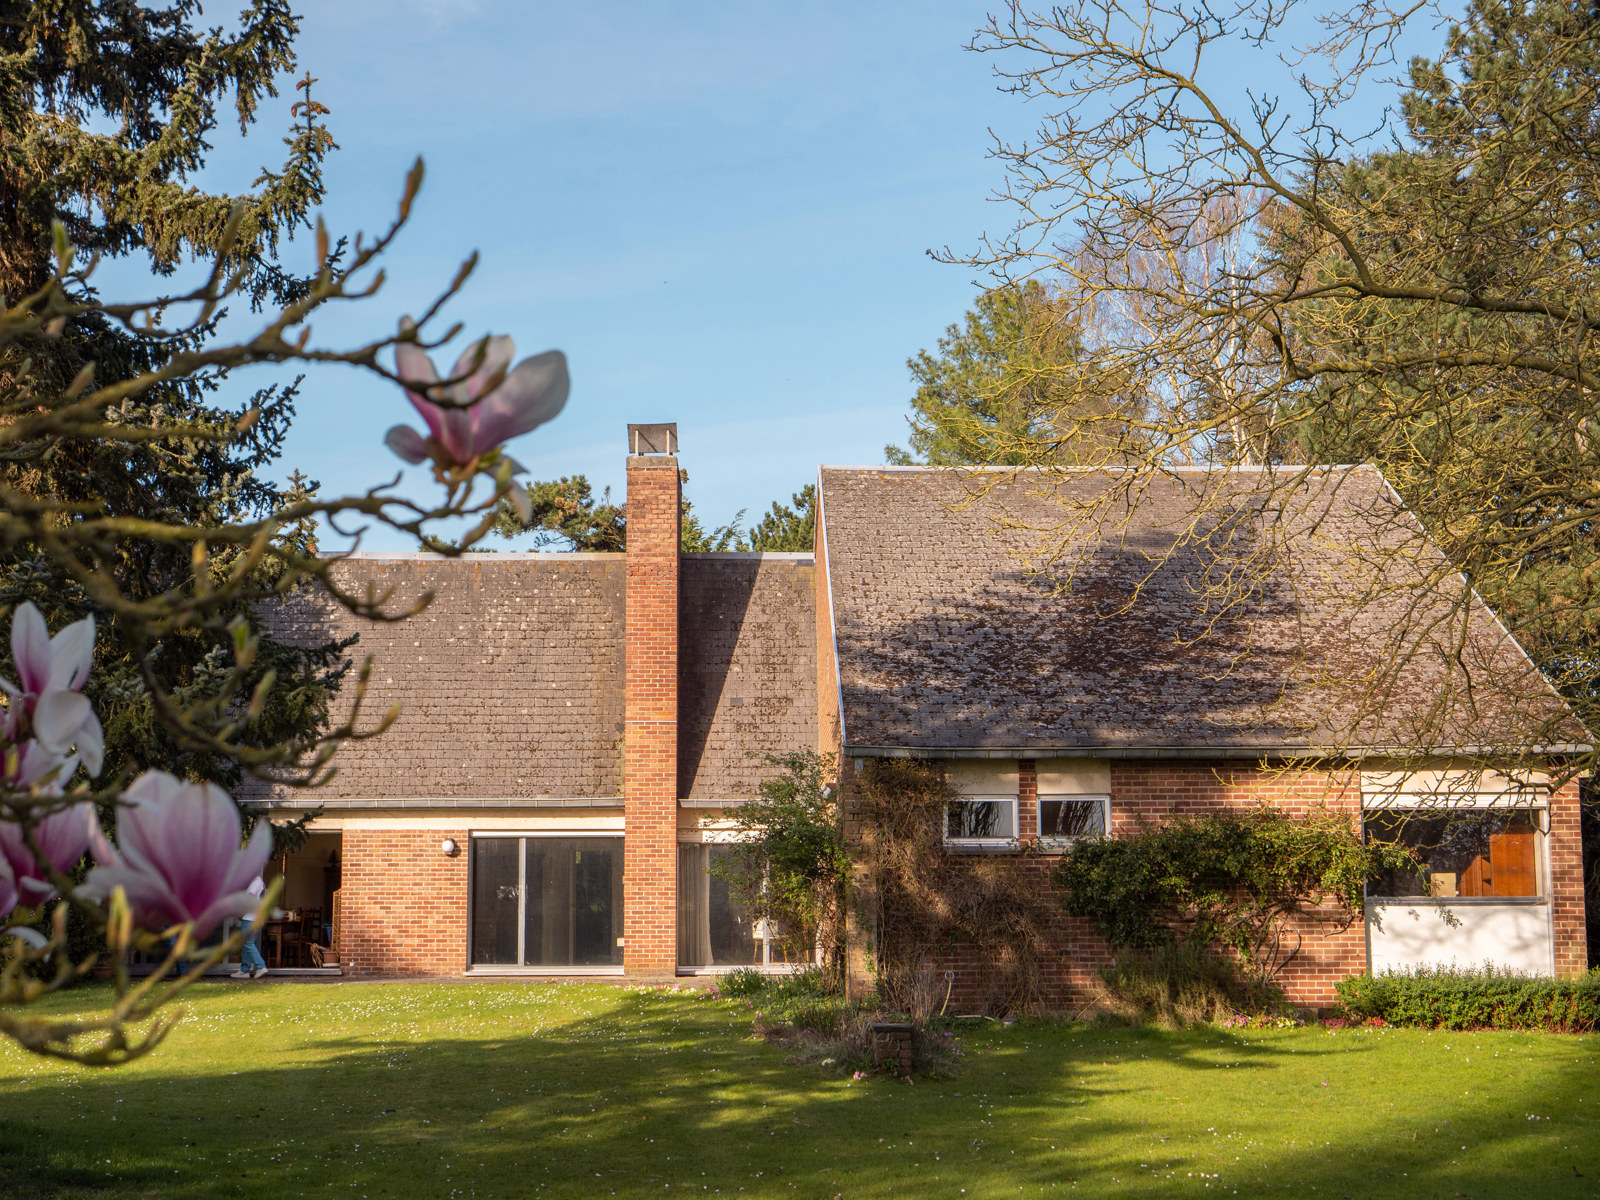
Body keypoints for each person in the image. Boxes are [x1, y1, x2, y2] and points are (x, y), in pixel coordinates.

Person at [229, 876, 269, 980]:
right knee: (247, 944)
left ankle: (261, 967)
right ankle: (244, 970)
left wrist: (242, 913)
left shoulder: (255, 881)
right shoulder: (259, 881)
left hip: (251, 918)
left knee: (248, 944)